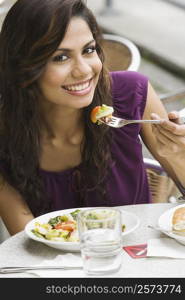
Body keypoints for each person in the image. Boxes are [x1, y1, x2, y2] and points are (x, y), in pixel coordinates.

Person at [0, 0, 185, 235]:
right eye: (60, 57)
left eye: (89, 50)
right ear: (24, 68)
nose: (84, 70)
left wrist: (179, 155)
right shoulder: (5, 135)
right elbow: (24, 241)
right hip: (54, 269)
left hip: (143, 261)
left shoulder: (128, 95)